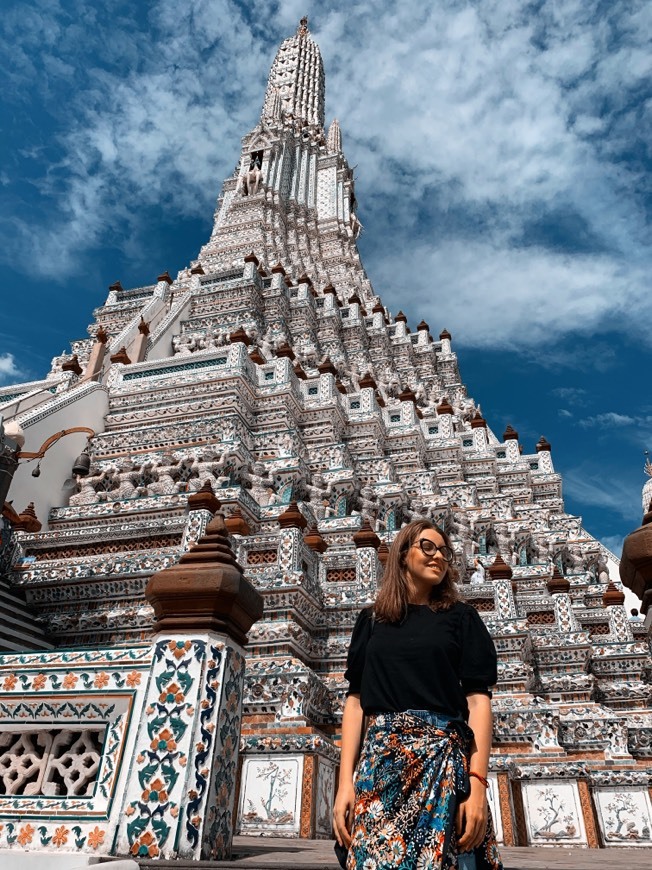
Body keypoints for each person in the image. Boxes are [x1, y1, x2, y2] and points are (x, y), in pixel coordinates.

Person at [333, 519, 503, 870]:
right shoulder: (371, 621)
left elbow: (477, 701)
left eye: (444, 550)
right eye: (428, 546)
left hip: (442, 762)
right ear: (402, 554)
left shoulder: (462, 618)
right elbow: (355, 701)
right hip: (380, 768)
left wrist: (478, 783)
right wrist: (344, 783)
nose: (438, 555)